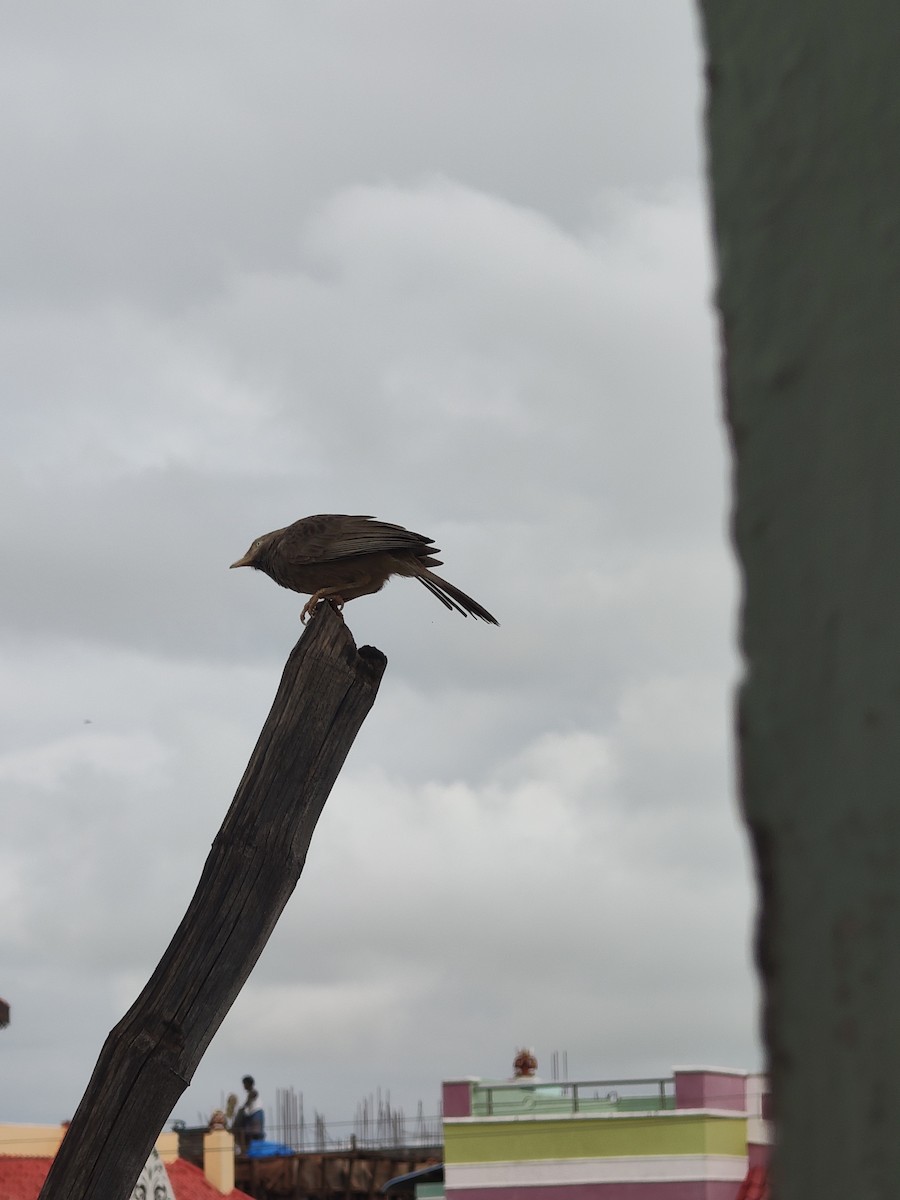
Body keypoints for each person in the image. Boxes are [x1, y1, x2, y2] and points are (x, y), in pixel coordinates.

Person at [233, 1075, 265, 1151]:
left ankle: (256, 1149)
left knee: (254, 1133)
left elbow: (248, 1103)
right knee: (248, 1133)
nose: (244, 1086)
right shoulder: (250, 1093)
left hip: (256, 1114)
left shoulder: (253, 1092)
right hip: (252, 1114)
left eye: (244, 1084)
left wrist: (242, 1109)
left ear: (248, 1084)